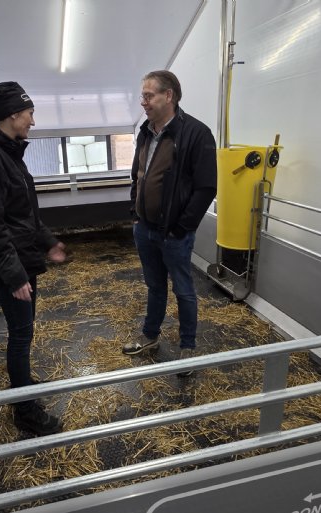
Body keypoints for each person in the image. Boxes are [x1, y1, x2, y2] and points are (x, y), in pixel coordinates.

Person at [0, 81, 66, 435]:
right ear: (12, 115)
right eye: (29, 114)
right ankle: (25, 411)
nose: (33, 122)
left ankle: (24, 388)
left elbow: (23, 212)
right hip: (11, 264)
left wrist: (48, 242)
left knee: (23, 333)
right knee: (21, 335)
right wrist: (14, 275)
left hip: (21, 258)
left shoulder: (8, 152)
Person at [123, 70, 217, 377]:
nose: (143, 103)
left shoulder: (195, 133)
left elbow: (206, 188)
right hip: (145, 228)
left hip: (174, 233)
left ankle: (187, 348)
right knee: (154, 285)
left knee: (184, 290)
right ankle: (150, 336)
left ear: (169, 96)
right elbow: (139, 174)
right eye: (143, 96)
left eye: (149, 96)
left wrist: (182, 227)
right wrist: (136, 211)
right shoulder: (146, 131)